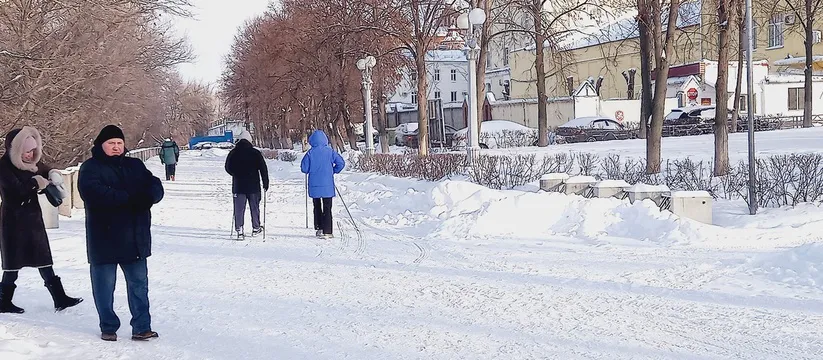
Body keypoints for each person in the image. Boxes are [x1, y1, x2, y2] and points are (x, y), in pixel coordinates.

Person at [78, 125, 164, 342]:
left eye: (119, 143)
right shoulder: (90, 168)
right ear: (101, 145)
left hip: (135, 237)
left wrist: (150, 197)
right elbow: (94, 193)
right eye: (111, 143)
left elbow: (154, 185)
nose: (116, 147)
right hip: (104, 237)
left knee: (139, 285)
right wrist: (131, 199)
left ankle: (142, 327)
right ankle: (108, 326)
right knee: (104, 288)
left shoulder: (135, 165)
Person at [0, 126, 83, 314]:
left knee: (43, 258)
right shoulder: (4, 167)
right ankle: (3, 300)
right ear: (16, 150)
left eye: (33, 151)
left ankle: (59, 298)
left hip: (32, 220)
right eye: (26, 151)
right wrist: (35, 183)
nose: (30, 155)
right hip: (13, 222)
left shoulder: (31, 164)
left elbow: (44, 169)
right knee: (13, 264)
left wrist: (52, 173)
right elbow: (15, 193)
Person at [300, 130, 345, 238]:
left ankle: (319, 228)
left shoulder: (310, 153)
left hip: (314, 185)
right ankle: (328, 231)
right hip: (327, 184)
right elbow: (341, 163)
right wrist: (333, 170)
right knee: (327, 207)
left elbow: (304, 168)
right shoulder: (330, 152)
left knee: (317, 206)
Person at [224, 130, 268, 239]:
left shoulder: (233, 153)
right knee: (254, 207)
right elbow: (263, 169)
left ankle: (239, 229)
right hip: (253, 186)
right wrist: (265, 183)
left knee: (239, 208)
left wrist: (235, 174)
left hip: (238, 186)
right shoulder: (255, 153)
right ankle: (256, 227)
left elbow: (227, 167)